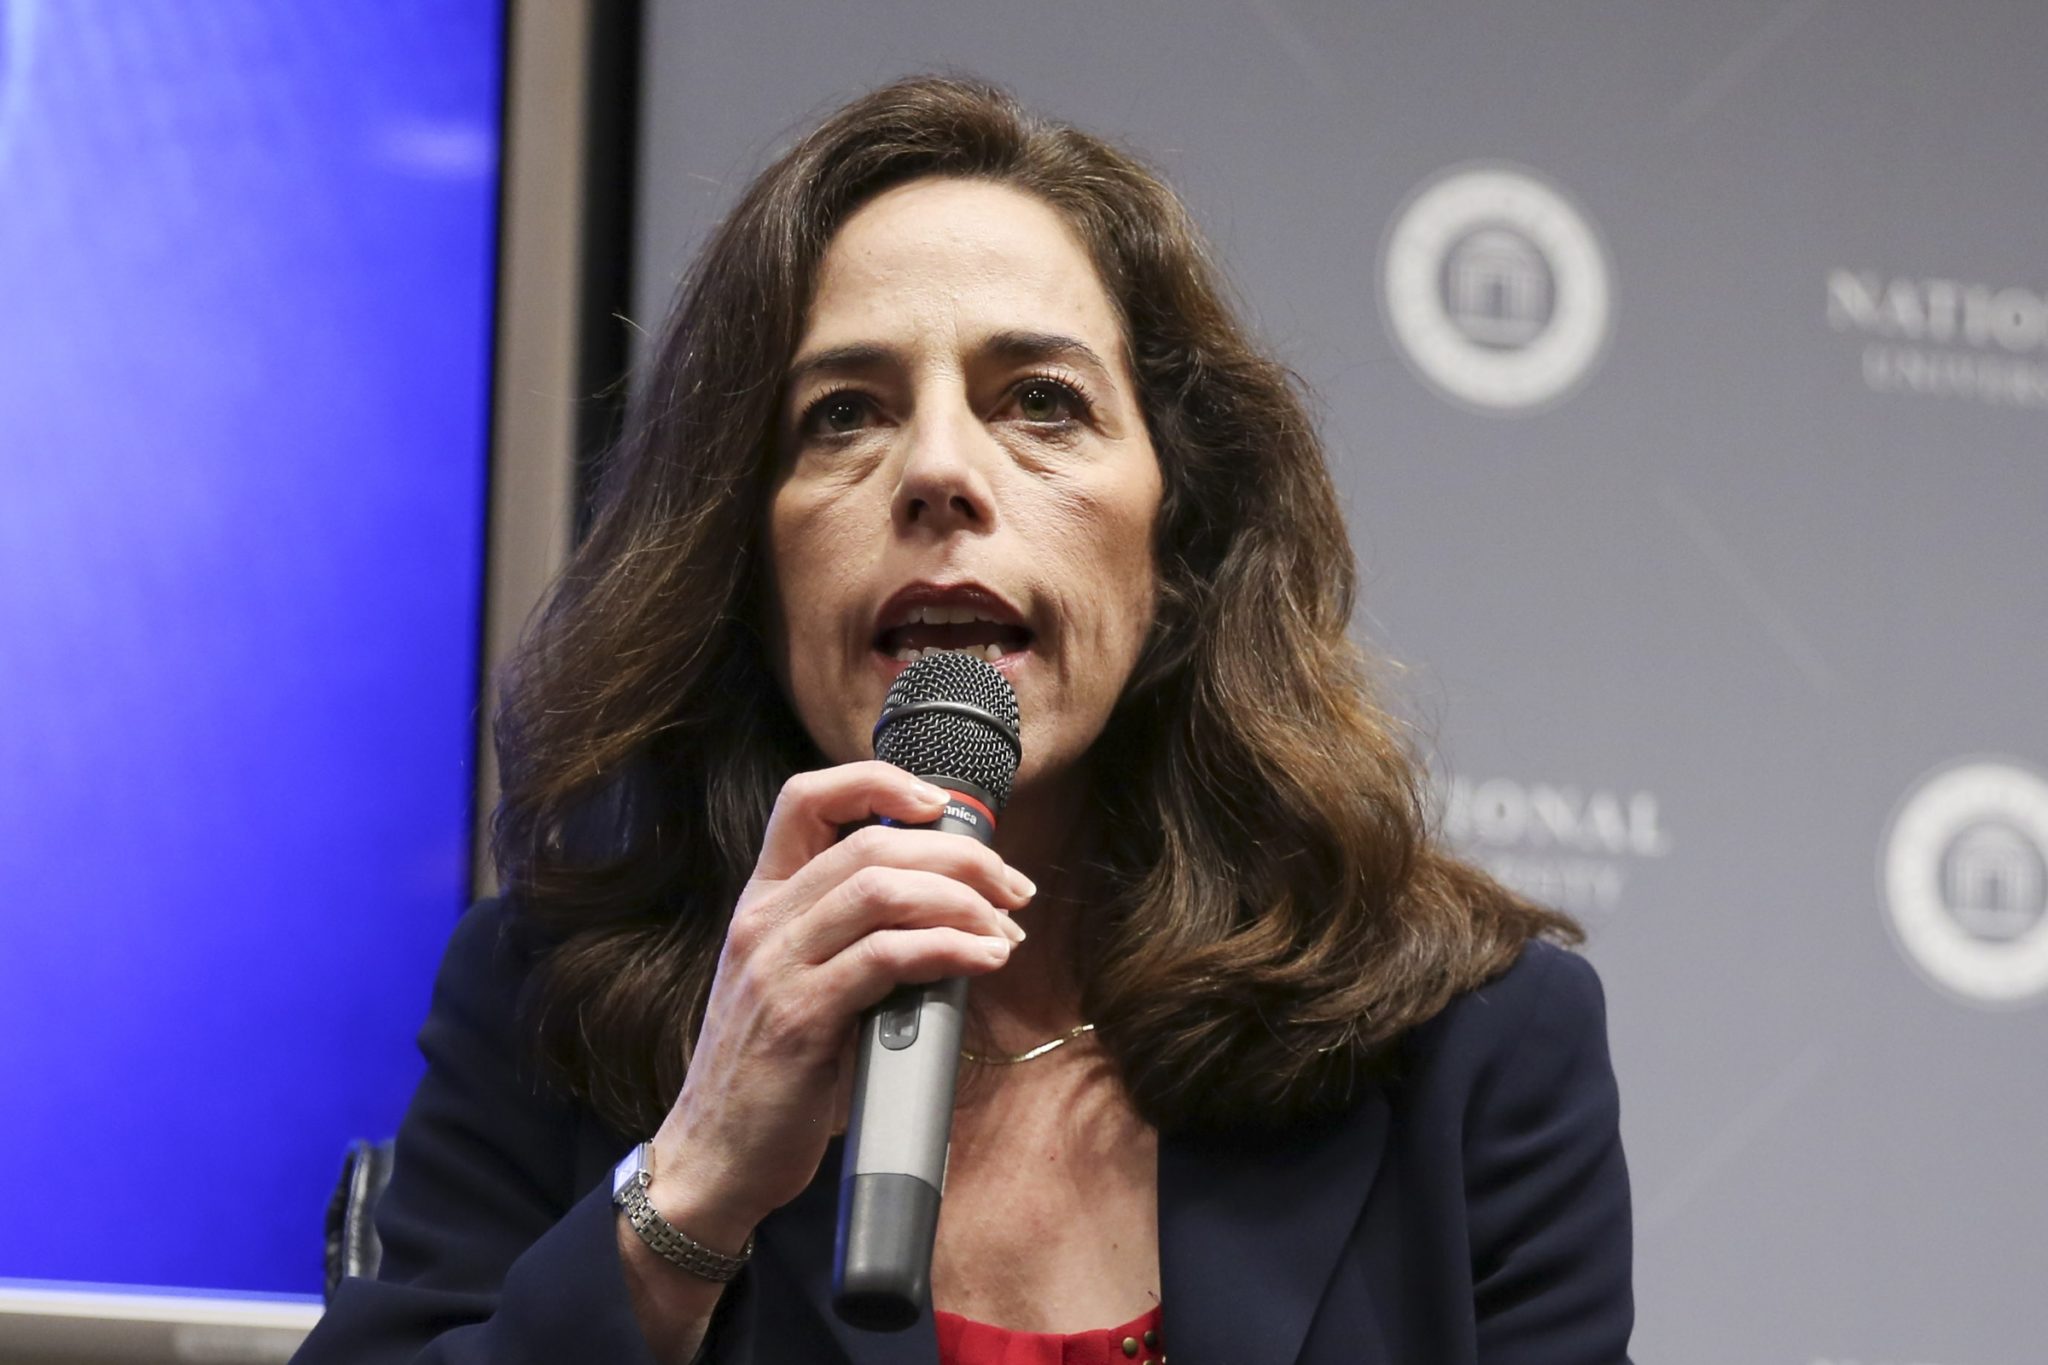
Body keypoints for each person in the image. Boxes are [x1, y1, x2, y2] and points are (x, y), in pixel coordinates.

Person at [293, 74, 1633, 1365]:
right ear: (748, 561)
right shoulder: (554, 1006)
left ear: (1178, 542)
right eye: (843, 416)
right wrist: (692, 1185)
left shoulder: (1474, 1050)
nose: (938, 470)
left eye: (1041, 402)